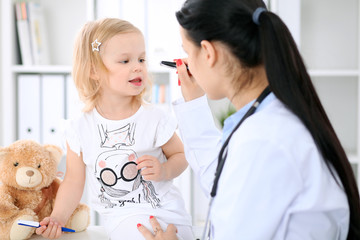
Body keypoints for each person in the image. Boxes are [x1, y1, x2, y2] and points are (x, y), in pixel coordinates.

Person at [137, 0, 360, 239]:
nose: (186, 62)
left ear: (209, 53)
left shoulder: (263, 140)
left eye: (187, 52)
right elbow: (223, 182)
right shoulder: (269, 119)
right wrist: (193, 105)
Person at [35, 18, 193, 240]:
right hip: (125, 217)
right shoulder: (80, 127)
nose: (138, 66)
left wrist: (165, 170)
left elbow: (181, 155)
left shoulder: (153, 117)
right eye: (125, 61)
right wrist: (58, 218)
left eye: (141, 59)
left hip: (170, 212)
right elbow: (73, 181)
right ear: (93, 71)